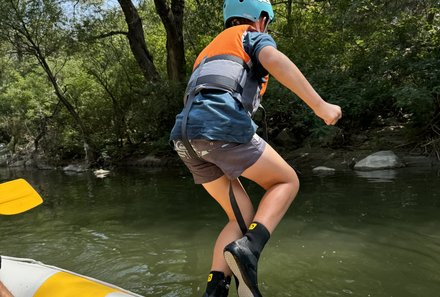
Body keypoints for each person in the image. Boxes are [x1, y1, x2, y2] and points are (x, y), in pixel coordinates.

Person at [170, 0, 342, 296]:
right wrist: (321, 106)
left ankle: (215, 290)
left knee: (241, 217)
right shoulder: (250, 34)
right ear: (262, 19)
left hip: (184, 138)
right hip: (219, 125)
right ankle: (248, 250)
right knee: (286, 181)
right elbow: (275, 61)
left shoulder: (207, 52)